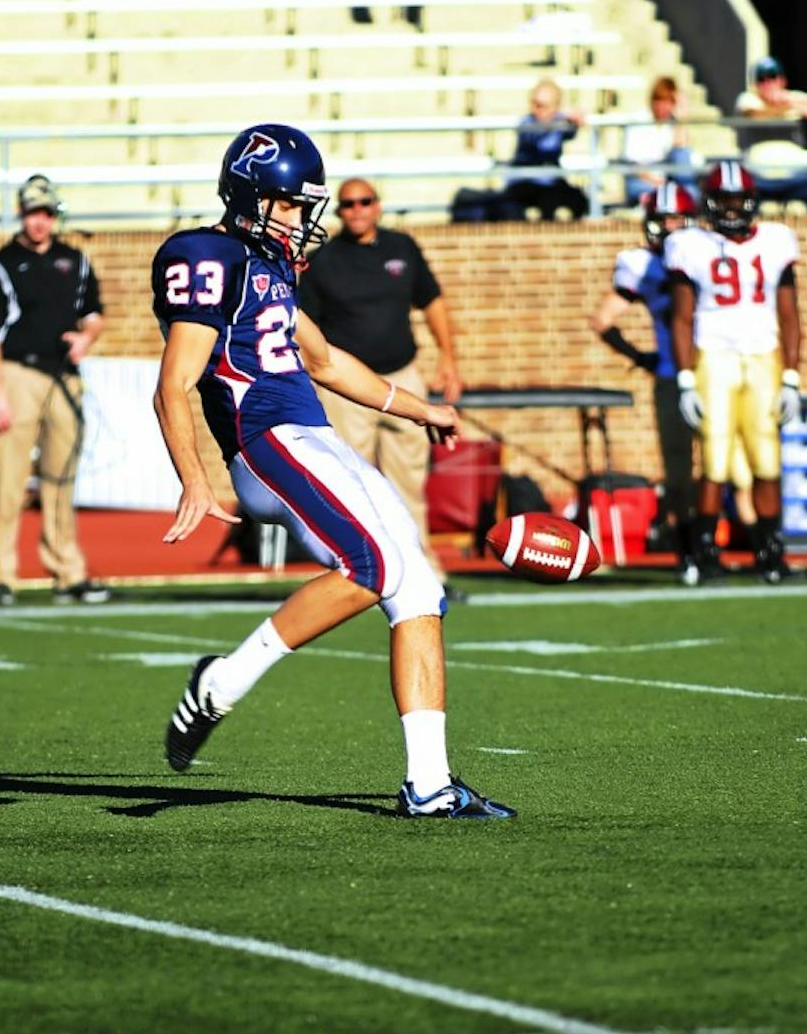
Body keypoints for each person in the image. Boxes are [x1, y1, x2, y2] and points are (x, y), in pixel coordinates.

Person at [152, 123, 514, 819]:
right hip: (266, 440)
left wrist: (421, 409)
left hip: (314, 436)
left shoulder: (271, 266)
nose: (299, 219)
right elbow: (174, 383)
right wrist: (194, 477)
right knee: (371, 564)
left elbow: (323, 361)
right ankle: (223, 681)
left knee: (417, 586)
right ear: (250, 197)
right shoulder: (203, 254)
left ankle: (430, 786)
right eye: (289, 204)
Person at [298, 176, 462, 593]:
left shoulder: (401, 247)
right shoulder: (323, 260)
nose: (357, 210)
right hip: (350, 389)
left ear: (378, 205)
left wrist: (449, 358)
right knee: (353, 481)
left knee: (409, 481)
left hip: (403, 376)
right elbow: (305, 329)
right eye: (348, 204)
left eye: (364, 201)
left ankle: (424, 574)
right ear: (339, 211)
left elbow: (432, 302)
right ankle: (361, 572)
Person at [0, 173, 110, 606]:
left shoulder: (75, 261)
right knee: (8, 480)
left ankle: (68, 571)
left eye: (46, 213)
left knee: (60, 479)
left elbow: (94, 315)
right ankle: (1, 575)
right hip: (18, 374)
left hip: (63, 377)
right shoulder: (1, 265)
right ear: (21, 213)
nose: (40, 222)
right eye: (33, 213)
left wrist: (86, 338)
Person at [665, 160, 802, 583]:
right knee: (715, 457)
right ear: (708, 202)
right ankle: (706, 553)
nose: (730, 208)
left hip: (763, 357)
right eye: (723, 200)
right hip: (715, 358)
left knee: (766, 456)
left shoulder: (777, 240)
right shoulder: (689, 244)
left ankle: (771, 554)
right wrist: (686, 379)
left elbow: (790, 315)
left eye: (738, 199)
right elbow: (681, 318)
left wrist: (792, 376)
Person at [591, 182, 700, 581]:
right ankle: (692, 550)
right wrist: (641, 357)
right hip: (675, 374)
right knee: (680, 470)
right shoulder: (640, 264)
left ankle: (709, 550)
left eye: (677, 219)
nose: (670, 227)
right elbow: (602, 320)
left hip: (712, 371)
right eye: (664, 219)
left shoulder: (707, 254)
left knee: (725, 465)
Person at [733, 56, 807, 215]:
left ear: (782, 80)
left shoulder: (795, 97)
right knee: (736, 191)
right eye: (762, 79)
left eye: (772, 77)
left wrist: (792, 102)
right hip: (759, 176)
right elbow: (755, 115)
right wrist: (790, 107)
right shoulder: (748, 99)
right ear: (755, 84)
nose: (768, 83)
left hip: (795, 176)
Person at [499, 79, 588, 221]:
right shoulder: (527, 122)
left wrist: (575, 121)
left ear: (555, 107)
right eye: (534, 104)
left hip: (551, 182)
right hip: (524, 182)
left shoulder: (559, 121)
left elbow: (571, 133)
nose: (536, 109)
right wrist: (561, 121)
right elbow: (533, 136)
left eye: (542, 106)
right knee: (547, 200)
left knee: (580, 201)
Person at [620, 76, 696, 208]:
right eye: (660, 101)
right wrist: (660, 184)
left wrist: (681, 119)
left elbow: (681, 152)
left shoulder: (672, 122)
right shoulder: (639, 120)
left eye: (669, 102)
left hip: (667, 180)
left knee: (682, 157)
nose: (663, 107)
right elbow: (634, 166)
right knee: (657, 194)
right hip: (642, 181)